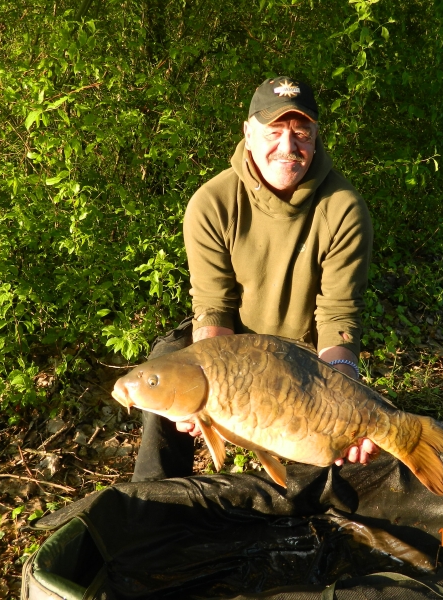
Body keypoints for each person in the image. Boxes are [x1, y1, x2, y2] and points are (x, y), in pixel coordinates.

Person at [131, 76, 377, 482]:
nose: (288, 147)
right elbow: (213, 305)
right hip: (231, 346)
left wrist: (344, 393)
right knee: (165, 358)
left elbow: (339, 317)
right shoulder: (212, 203)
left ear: (315, 138)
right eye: (274, 132)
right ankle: (157, 497)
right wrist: (206, 398)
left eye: (301, 133)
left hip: (304, 353)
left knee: (328, 446)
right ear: (247, 132)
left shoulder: (344, 208)